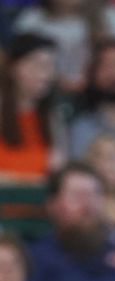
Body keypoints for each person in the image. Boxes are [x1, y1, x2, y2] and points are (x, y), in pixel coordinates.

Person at [0, 34, 65, 184]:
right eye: (37, 65)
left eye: (50, 67)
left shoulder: (53, 117)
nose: (45, 75)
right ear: (13, 67)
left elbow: (60, 172)